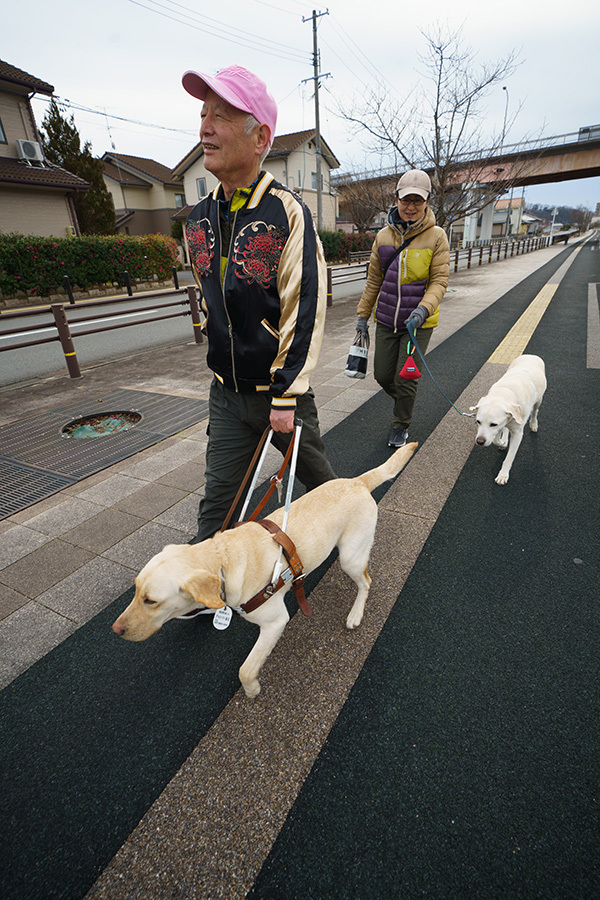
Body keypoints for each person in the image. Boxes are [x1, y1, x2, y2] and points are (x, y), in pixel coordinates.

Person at [182, 64, 336, 548]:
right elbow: (207, 296)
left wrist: (287, 394)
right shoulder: (198, 217)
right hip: (226, 394)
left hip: (280, 391)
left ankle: (344, 522)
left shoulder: (288, 212)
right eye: (204, 114)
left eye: (221, 116)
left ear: (259, 137)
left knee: (318, 481)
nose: (205, 127)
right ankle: (208, 590)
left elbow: (304, 305)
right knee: (219, 504)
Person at [356, 169, 450, 448]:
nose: (410, 207)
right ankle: (404, 401)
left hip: (417, 323)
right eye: (405, 200)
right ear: (395, 199)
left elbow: (440, 281)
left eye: (417, 201)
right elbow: (374, 278)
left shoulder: (437, 236)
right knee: (383, 375)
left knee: (406, 377)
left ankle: (401, 424)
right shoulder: (383, 236)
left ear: (427, 202)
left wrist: (423, 309)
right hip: (386, 319)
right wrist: (363, 316)